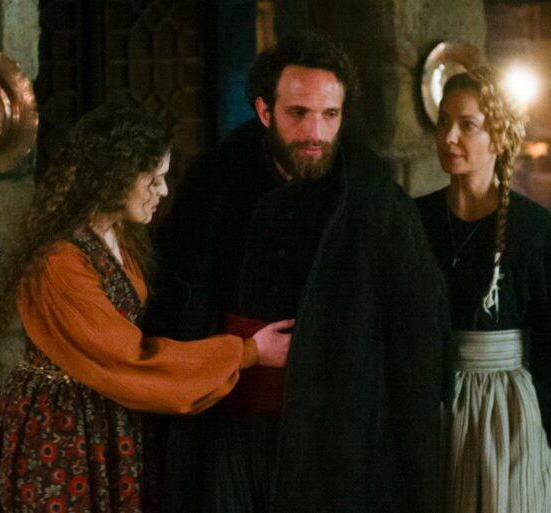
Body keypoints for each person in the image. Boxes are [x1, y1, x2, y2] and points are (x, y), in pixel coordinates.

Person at [148, 31, 448, 513]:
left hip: (329, 438)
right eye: (298, 113)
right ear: (265, 111)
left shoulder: (374, 200)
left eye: (330, 115)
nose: (315, 133)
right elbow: (175, 300)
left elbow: (415, 336)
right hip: (226, 425)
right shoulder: (214, 185)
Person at [0, 105, 293, 513]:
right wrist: (246, 351)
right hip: (63, 426)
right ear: (113, 177)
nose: (162, 191)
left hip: (106, 415)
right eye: (152, 179)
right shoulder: (60, 260)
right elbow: (129, 359)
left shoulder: (117, 236)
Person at [415, 66, 551, 513]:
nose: (449, 137)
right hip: (432, 409)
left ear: (498, 137)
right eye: (444, 122)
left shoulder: (536, 231)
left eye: (468, 125)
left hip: (509, 418)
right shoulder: (414, 222)